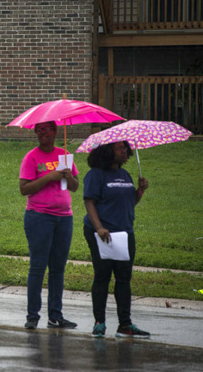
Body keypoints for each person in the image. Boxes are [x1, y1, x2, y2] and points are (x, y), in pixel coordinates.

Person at [83, 141, 150, 338]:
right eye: (120, 148)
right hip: (101, 233)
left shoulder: (125, 175)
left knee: (124, 278)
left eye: (125, 148)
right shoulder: (95, 174)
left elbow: (130, 202)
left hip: (124, 234)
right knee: (102, 276)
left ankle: (125, 324)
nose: (125, 151)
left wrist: (140, 191)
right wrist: (99, 228)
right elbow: (89, 202)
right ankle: (99, 323)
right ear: (107, 151)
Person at [19, 121, 79, 330]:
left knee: (58, 268)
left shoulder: (64, 155)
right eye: (39, 130)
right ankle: (32, 316)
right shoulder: (31, 157)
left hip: (64, 218)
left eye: (47, 129)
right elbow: (24, 189)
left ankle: (55, 316)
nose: (43, 133)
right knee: (38, 266)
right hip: (39, 217)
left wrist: (68, 175)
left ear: (55, 132)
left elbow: (74, 187)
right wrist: (50, 176)